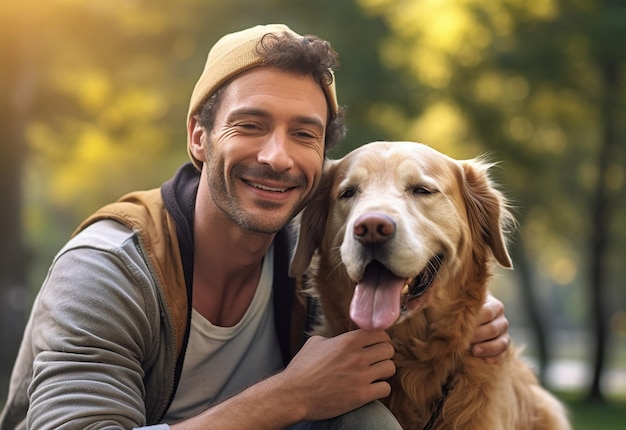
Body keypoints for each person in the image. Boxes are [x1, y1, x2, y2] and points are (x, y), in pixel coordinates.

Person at [0, 24, 510, 430]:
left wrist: (465, 316)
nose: (275, 156)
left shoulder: (319, 265)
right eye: (251, 125)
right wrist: (290, 396)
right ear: (200, 137)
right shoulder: (109, 271)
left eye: (303, 134)